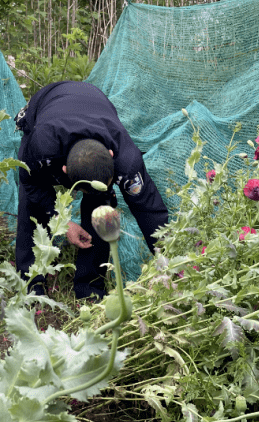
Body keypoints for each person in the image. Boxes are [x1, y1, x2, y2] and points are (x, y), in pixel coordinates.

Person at [15, 80, 168, 299]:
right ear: (64, 171)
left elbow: (150, 210)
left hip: (94, 104)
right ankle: (31, 285)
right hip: (49, 104)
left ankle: (90, 289)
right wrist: (62, 221)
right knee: (33, 207)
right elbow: (30, 183)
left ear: (111, 156)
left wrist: (171, 262)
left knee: (101, 207)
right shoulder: (41, 146)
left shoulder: (126, 158)